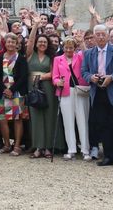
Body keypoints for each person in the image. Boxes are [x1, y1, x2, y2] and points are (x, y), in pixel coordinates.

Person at [81, 24, 113, 169]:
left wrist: (112, 77)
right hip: (98, 93)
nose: (101, 37)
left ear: (108, 36)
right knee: (103, 126)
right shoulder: (89, 53)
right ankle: (109, 156)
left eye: (103, 34)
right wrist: (91, 77)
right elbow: (84, 72)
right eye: (98, 34)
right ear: (94, 37)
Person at [26, 16, 61, 158]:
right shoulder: (30, 54)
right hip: (33, 87)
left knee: (49, 116)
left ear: (48, 45)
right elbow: (30, 41)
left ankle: (47, 147)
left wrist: (41, 77)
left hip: (47, 87)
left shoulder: (51, 57)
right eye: (40, 41)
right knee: (35, 117)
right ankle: (38, 147)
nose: (42, 44)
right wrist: (35, 26)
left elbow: (53, 73)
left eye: (44, 42)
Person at [52, 37, 90, 160]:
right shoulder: (58, 59)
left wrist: (81, 42)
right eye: (66, 47)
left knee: (82, 120)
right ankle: (71, 149)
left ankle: (85, 150)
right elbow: (54, 76)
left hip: (80, 90)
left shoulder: (79, 56)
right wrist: (58, 82)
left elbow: (86, 55)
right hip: (65, 92)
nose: (69, 50)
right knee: (68, 121)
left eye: (71, 47)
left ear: (75, 48)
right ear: (63, 48)